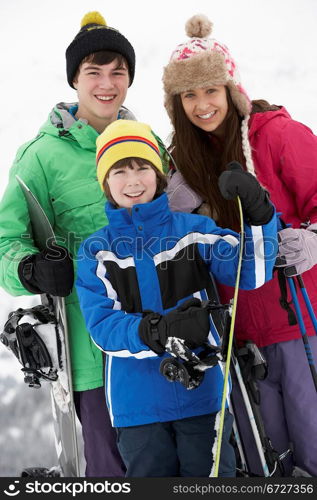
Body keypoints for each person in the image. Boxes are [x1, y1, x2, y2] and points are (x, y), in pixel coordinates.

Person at [75, 118, 277, 477]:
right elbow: (103, 328)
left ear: (160, 175)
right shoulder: (96, 252)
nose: (133, 181)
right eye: (120, 171)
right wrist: (160, 330)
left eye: (142, 168)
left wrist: (261, 216)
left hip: (203, 396)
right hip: (137, 406)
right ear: (105, 182)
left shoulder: (194, 232)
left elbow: (253, 272)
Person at [162, 14, 317, 476]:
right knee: (266, 462)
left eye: (211, 90)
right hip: (238, 337)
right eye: (189, 94)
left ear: (231, 89)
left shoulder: (277, 135)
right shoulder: (183, 166)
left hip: (300, 322)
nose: (202, 104)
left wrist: (311, 238)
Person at [0, 11, 138, 477]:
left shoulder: (146, 143)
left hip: (156, 338)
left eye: (117, 72)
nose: (106, 84)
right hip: (89, 355)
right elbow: (6, 241)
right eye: (93, 72)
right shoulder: (39, 156)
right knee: (111, 473)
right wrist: (31, 268)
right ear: (75, 80)